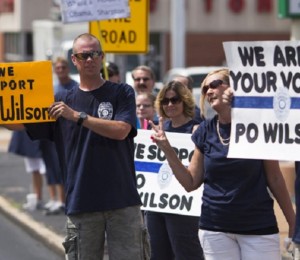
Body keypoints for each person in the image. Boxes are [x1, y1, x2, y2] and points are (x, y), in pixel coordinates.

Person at [4, 33, 149, 260]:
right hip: (82, 202)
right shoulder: (60, 100)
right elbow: (17, 123)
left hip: (123, 202)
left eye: (93, 54)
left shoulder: (121, 92)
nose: (89, 59)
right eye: (83, 55)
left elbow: (122, 130)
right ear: (75, 59)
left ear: (102, 57)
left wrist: (78, 116)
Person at [149, 68, 295, 260]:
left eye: (215, 84)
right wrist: (167, 149)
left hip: (258, 228)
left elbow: (275, 179)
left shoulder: (257, 126)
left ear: (233, 88)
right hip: (215, 230)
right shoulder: (205, 130)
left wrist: (293, 223)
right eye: (205, 88)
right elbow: (190, 182)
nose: (209, 91)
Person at [145, 80, 204, 260]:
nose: (170, 104)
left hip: (184, 205)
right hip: (157, 205)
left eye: (175, 100)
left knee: (185, 253)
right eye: (165, 101)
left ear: (184, 101)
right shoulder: (159, 128)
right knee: (158, 253)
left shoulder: (196, 129)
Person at [42, 57, 79, 215]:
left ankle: (65, 200)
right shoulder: (51, 87)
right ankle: (54, 198)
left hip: (68, 131)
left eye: (63, 67)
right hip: (51, 129)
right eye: (58, 68)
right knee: (51, 165)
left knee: (64, 165)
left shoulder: (75, 86)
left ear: (68, 68)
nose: (61, 70)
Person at [8, 131, 45, 210]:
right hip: (28, 136)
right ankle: (37, 198)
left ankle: (55, 200)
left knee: (46, 170)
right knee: (35, 169)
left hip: (41, 136)